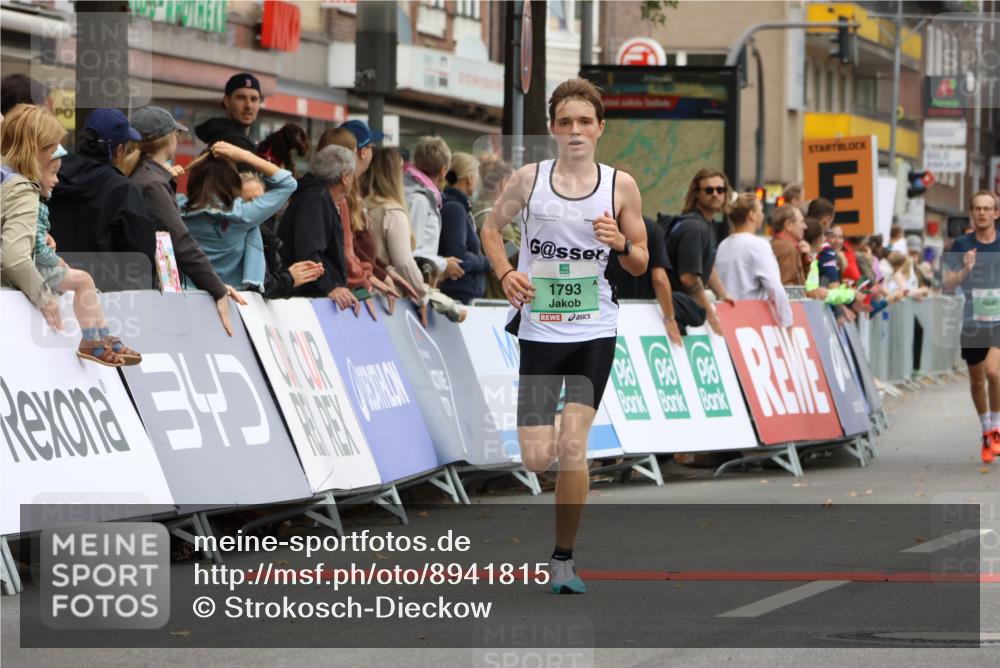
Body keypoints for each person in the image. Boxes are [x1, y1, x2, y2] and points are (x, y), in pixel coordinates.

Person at [481, 78, 648, 594]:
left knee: (573, 443)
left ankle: (563, 560)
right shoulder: (529, 180)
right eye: (565, 122)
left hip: (593, 331)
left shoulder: (620, 185)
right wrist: (507, 272)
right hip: (539, 330)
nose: (575, 131)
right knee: (535, 457)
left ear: (600, 128)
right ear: (553, 128)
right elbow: (490, 230)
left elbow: (640, 261)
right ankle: (552, 432)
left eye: (584, 122)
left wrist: (620, 241)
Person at [1, 104, 140, 366]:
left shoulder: (8, 178)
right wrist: (44, 297)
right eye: (51, 146)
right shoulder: (23, 189)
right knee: (84, 281)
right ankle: (97, 340)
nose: (56, 152)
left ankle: (101, 338)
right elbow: (14, 257)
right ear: (36, 150)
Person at [128, 106, 249, 335]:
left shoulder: (143, 175)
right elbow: (180, 241)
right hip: (148, 298)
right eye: (177, 133)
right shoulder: (152, 183)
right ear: (168, 139)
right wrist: (217, 288)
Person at [46, 108, 157, 291]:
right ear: (119, 150)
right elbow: (140, 259)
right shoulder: (122, 190)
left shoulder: (51, 176)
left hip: (49, 292)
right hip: (105, 301)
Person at [181, 141, 296, 291]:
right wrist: (245, 156)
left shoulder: (175, 208)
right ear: (233, 181)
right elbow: (288, 184)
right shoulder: (241, 216)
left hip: (184, 296)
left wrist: (167, 178)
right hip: (230, 299)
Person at [944, 191, 1000, 463]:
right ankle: (986, 430)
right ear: (971, 212)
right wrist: (965, 269)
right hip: (972, 319)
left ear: (996, 213)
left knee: (993, 372)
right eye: (978, 208)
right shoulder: (961, 244)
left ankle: (997, 427)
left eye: (987, 208)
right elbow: (948, 284)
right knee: (977, 380)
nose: (982, 213)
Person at [278, 145, 360, 314]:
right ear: (345, 177)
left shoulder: (317, 196)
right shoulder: (316, 198)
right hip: (303, 301)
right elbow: (308, 251)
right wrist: (329, 287)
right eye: (352, 175)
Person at [665, 167, 736, 337]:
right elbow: (689, 278)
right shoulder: (695, 228)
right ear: (696, 193)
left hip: (678, 309)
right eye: (709, 190)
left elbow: (705, 264)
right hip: (674, 312)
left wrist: (722, 294)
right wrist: (711, 316)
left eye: (720, 190)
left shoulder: (705, 224)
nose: (715, 194)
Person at [239, 172, 325, 299]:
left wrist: (295, 275)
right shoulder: (232, 236)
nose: (257, 207)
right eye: (249, 200)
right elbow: (258, 287)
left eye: (260, 201)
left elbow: (272, 283)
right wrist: (290, 278)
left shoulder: (266, 236)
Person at [363, 147, 429, 307]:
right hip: (386, 299)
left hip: (365, 292)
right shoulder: (393, 212)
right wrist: (423, 292)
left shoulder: (361, 205)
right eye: (402, 169)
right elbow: (404, 263)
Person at [715, 192, 792, 328]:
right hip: (753, 322)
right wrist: (787, 323)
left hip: (726, 320)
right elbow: (775, 288)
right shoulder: (758, 245)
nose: (762, 215)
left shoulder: (723, 245)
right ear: (751, 215)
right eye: (760, 211)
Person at [404, 136, 464, 282]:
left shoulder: (417, 194)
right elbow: (412, 252)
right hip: (414, 284)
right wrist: (443, 264)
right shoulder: (419, 199)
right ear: (443, 170)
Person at [440, 152, 491, 304]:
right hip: (460, 294)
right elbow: (458, 256)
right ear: (469, 179)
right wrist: (487, 263)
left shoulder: (456, 206)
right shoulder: (455, 208)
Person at [474, 153, 517, 299]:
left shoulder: (479, 211)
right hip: (497, 297)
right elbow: (504, 257)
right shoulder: (494, 218)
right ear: (505, 182)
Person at [195, 72, 262, 149]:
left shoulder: (243, 141)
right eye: (241, 98)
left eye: (254, 99)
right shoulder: (231, 143)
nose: (248, 105)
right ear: (227, 101)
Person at [770, 204, 809, 286]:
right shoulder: (787, 248)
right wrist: (812, 295)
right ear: (789, 225)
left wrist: (805, 262)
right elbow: (788, 290)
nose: (805, 227)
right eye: (801, 222)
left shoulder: (778, 244)